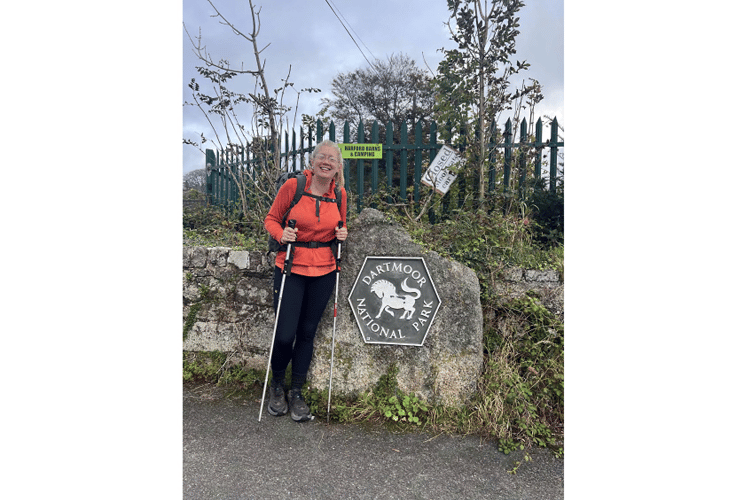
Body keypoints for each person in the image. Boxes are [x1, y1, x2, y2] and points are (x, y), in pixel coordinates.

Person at [263, 139, 348, 422]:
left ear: (338, 167)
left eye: (332, 159)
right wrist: (281, 235)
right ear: (313, 161)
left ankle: (296, 391)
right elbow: (272, 219)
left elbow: (341, 225)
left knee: (308, 333)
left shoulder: (340, 194)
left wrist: (342, 234)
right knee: (286, 333)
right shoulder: (294, 187)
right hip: (290, 267)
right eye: (322, 156)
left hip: (324, 269)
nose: (326, 162)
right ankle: (277, 386)